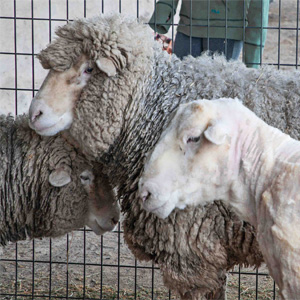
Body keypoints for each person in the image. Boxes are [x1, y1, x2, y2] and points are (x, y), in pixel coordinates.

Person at [149, 0, 269, 68]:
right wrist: (162, 15)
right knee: (180, 91)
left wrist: (253, 61)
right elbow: (259, 8)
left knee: (212, 96)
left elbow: (259, 7)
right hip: (191, 26)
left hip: (225, 31)